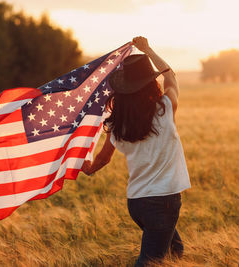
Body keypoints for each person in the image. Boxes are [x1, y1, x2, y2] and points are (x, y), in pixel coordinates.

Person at [81, 36, 191, 267]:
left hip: (137, 203)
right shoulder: (165, 108)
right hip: (163, 202)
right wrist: (147, 49)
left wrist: (88, 168)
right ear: (152, 84)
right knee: (150, 262)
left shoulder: (117, 124)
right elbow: (170, 76)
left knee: (175, 250)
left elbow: (102, 159)